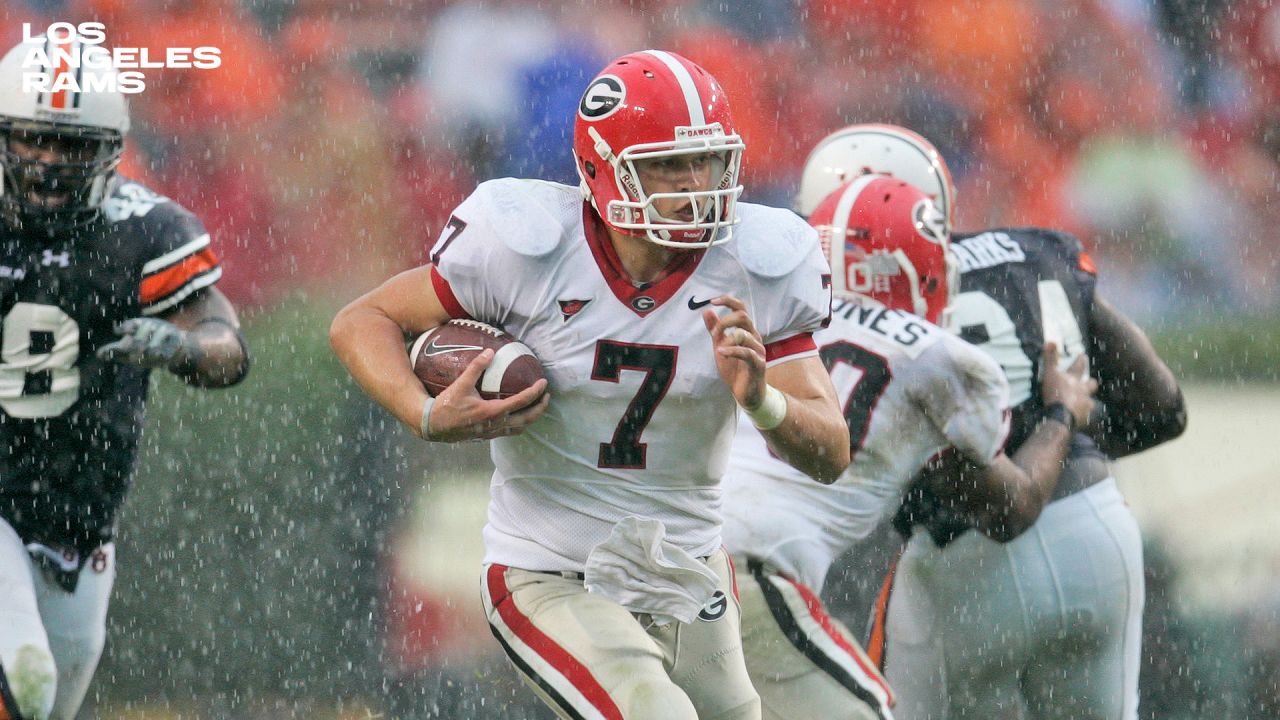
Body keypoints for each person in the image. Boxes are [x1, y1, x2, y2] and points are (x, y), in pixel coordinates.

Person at [330, 49, 850, 720]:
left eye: (707, 161)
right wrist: (425, 414)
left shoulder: (760, 263)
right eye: (667, 164)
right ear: (603, 169)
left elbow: (831, 453)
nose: (695, 183)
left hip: (686, 572)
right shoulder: (524, 246)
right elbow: (362, 320)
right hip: (548, 571)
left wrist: (762, 400)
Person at [797, 124, 1187, 720]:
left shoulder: (850, 306)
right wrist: (1066, 446)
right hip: (1096, 530)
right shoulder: (1039, 251)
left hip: (962, 558)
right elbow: (1162, 409)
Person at [720, 174, 1098, 720]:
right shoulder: (939, 358)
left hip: (681, 550)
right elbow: (1011, 506)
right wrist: (1062, 413)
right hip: (753, 568)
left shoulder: (776, 318)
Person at [0, 37, 249, 720]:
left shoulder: (143, 230)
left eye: (73, 147)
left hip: (79, 519)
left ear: (112, 151)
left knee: (45, 704)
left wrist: (182, 349)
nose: (49, 164)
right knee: (23, 682)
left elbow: (227, 343)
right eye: (32, 140)